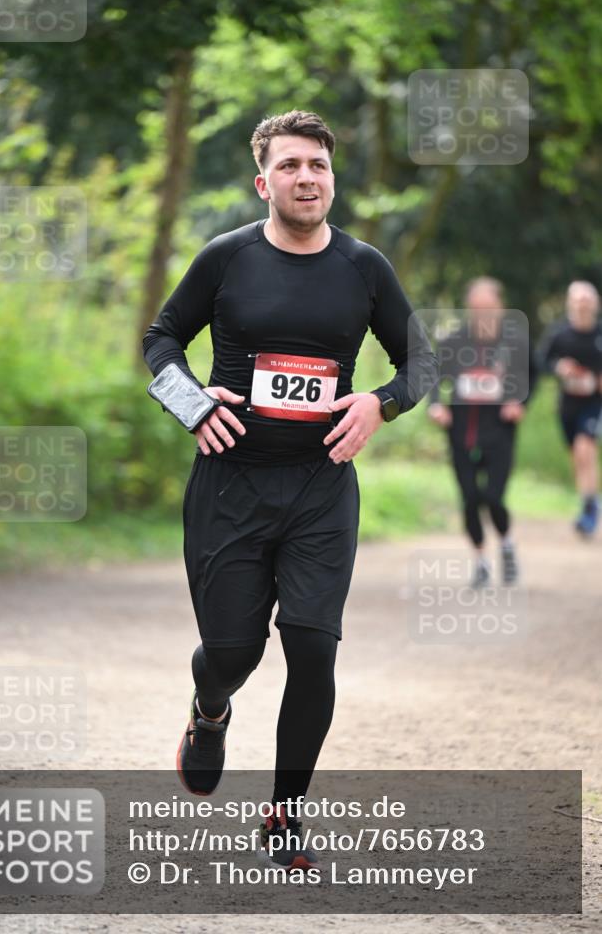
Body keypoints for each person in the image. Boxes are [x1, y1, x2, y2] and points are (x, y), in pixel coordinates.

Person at [143, 110, 437, 871]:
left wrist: (379, 401)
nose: (306, 178)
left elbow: (421, 364)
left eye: (318, 166)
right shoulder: (226, 258)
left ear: (331, 177)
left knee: (312, 647)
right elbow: (161, 340)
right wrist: (191, 402)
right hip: (230, 485)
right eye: (290, 166)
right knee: (233, 653)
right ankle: (209, 712)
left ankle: (283, 817)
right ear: (262, 179)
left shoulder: (363, 268)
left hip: (320, 487)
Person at [427, 278, 534, 588]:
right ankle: (482, 561)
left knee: (493, 497)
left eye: (487, 308)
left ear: (500, 307)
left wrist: (520, 401)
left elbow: (534, 374)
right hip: (460, 431)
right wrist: (436, 405)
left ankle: (507, 545)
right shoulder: (454, 341)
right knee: (470, 498)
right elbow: (433, 375)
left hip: (500, 431)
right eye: (475, 308)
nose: (482, 314)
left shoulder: (515, 342)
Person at [538, 281, 602, 536]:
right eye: (578, 299)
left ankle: (589, 510)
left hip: (595, 403)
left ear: (595, 303)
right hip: (568, 403)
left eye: (587, 299)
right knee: (576, 456)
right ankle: (588, 501)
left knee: (585, 448)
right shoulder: (558, 334)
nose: (582, 304)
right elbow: (541, 361)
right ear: (569, 304)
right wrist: (559, 368)